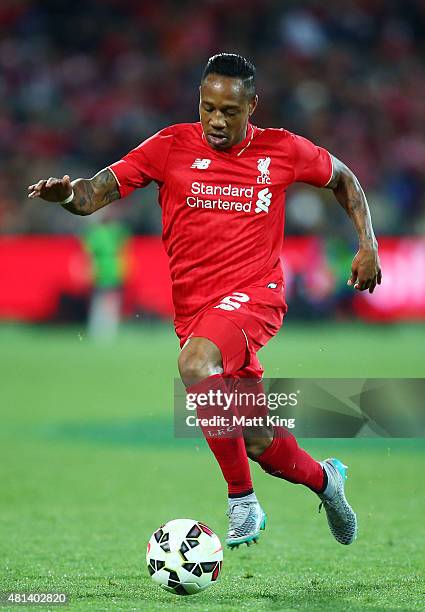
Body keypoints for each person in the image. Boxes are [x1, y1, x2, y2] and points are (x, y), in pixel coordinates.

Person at [28, 53, 381, 549]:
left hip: (256, 297)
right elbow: (95, 194)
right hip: (197, 310)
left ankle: (242, 503)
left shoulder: (282, 151)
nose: (216, 120)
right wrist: (66, 197)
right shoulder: (170, 145)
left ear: (251, 106)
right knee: (257, 441)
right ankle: (327, 481)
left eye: (229, 111)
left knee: (195, 364)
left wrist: (368, 243)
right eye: (207, 107)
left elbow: (344, 177)